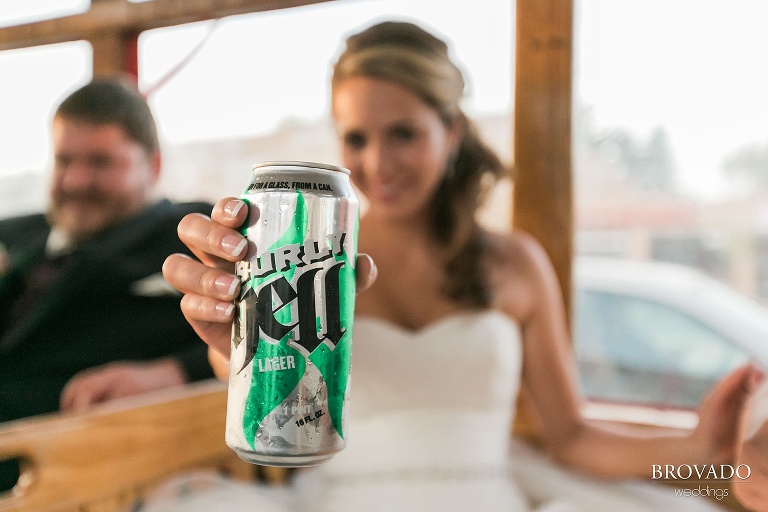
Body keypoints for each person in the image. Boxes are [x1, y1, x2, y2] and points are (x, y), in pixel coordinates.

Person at [160, 21, 762, 511]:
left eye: (403, 134)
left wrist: (696, 450)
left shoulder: (516, 263)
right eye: (356, 139)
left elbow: (573, 438)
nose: (378, 163)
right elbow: (260, 371)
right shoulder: (309, 266)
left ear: (452, 131)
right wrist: (230, 340)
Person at [0, 78, 214, 489]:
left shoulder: (190, 235)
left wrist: (172, 373)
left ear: (152, 166)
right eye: (64, 161)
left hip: (74, 473)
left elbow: (268, 331)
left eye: (100, 163)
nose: (78, 182)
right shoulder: (16, 234)